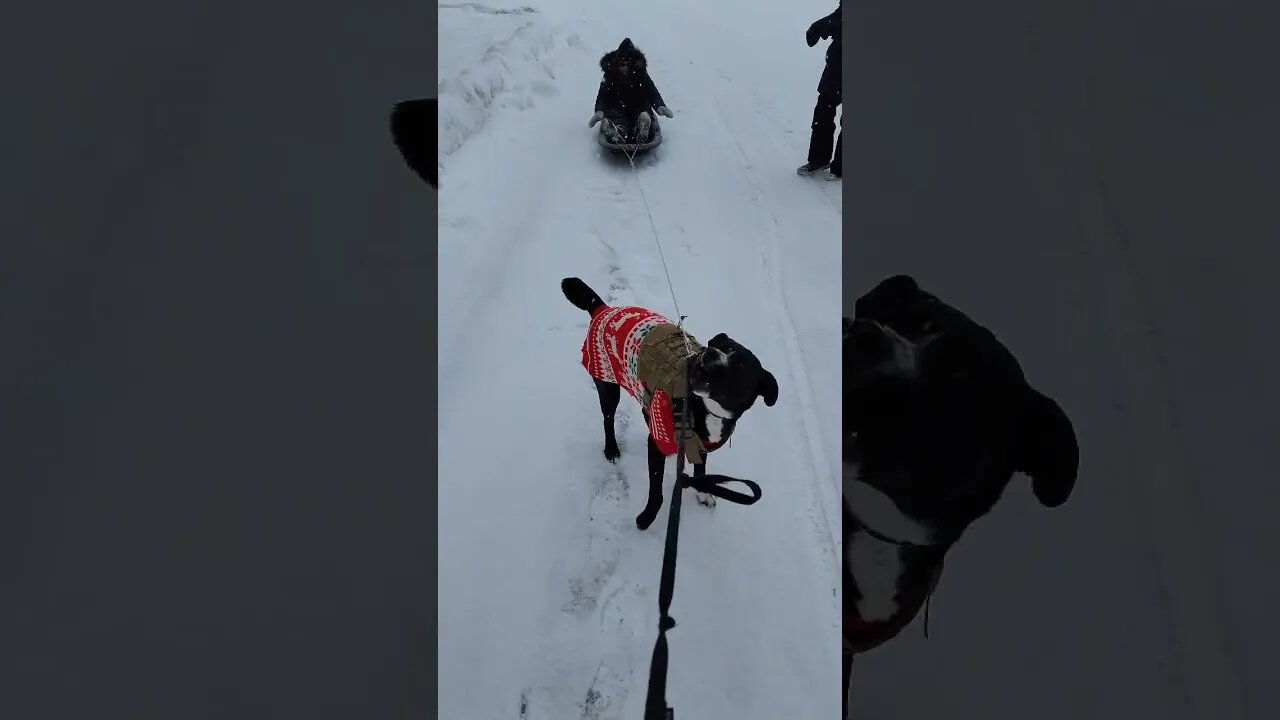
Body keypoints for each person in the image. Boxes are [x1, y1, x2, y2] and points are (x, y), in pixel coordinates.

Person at [588, 38, 674, 144]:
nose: (625, 68)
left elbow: (652, 91)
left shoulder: (640, 74)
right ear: (617, 63)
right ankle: (616, 132)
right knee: (617, 119)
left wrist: (660, 106)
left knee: (641, 116)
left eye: (628, 65)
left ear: (633, 63)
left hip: (638, 106)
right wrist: (599, 111)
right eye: (622, 65)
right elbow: (602, 95)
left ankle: (641, 128)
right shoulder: (610, 74)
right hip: (617, 108)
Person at [799, 2, 842, 179]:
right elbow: (840, 14)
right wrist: (819, 26)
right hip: (837, 66)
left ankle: (841, 168)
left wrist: (834, 27)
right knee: (823, 111)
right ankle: (818, 159)